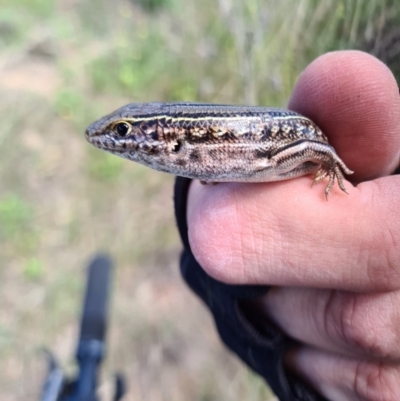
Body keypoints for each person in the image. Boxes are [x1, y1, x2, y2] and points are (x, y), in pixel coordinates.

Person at [174, 50, 400, 401]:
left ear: (163, 134)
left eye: (124, 132)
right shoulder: (215, 159)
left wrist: (329, 163)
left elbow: (310, 146)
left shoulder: (267, 152)